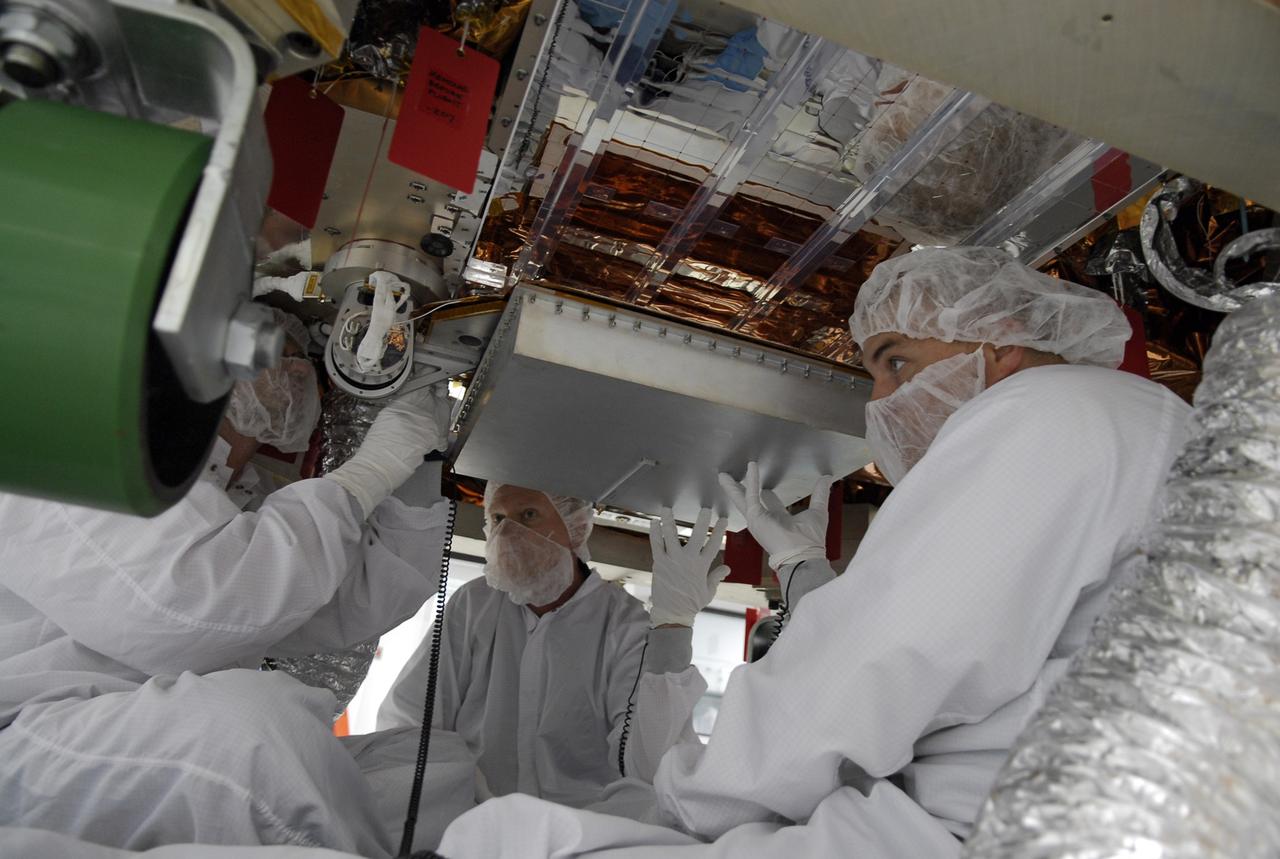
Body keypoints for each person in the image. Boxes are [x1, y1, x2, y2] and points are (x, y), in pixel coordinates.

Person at [432, 246, 1192, 857]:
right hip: (1061, 811)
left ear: (1000, 343)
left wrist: (688, 799)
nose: (881, 401)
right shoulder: (1147, 421)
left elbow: (882, 658)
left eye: (897, 359)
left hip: (974, 827)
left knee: (513, 841)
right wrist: (804, 572)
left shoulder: (1042, 411)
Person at [0, 306, 475, 857]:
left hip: (131, 720)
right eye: (286, 356)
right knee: (257, 733)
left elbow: (344, 599)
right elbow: (191, 609)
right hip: (37, 727)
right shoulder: (85, 452)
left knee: (437, 771)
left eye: (307, 363)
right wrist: (367, 472)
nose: (301, 374)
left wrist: (416, 457)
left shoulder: (237, 490)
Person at [378, 482, 731, 807]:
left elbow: (648, 761)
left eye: (528, 515)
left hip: (583, 833)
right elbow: (411, 724)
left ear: (575, 526)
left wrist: (673, 628)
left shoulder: (623, 623)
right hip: (473, 824)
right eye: (498, 518)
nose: (508, 534)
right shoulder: (473, 606)